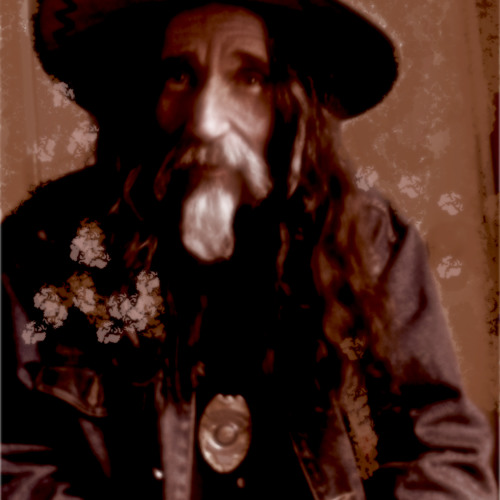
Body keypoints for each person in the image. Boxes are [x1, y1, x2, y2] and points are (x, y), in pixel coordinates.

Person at [1, 0, 496, 498]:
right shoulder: (45, 247)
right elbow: (15, 463)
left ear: (293, 103)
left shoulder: (366, 240)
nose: (206, 122)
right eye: (179, 75)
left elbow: (442, 449)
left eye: (250, 78)